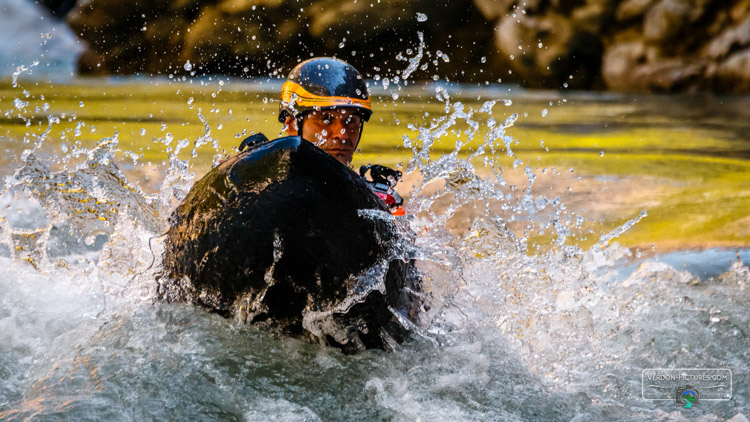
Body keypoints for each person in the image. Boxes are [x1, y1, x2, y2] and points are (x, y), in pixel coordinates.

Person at [278, 57, 404, 215]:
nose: (342, 134)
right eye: (326, 119)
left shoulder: (378, 201)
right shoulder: (264, 192)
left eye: (351, 121)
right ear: (292, 125)